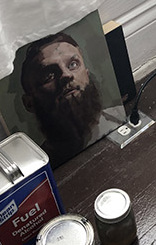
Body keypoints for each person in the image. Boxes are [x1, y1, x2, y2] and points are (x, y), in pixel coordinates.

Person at [20, 32, 118, 166]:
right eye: (49, 75)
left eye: (73, 64)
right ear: (29, 103)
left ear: (87, 73)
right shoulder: (39, 165)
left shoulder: (119, 119)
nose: (66, 75)